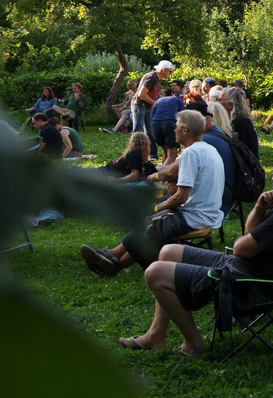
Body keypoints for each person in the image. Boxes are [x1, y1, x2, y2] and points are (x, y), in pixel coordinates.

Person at [116, 151, 273, 355]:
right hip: (249, 270)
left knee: (154, 272)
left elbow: (241, 248)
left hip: (250, 284)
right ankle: (156, 335)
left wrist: (243, 243)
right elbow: (249, 235)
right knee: (168, 251)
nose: (272, 178)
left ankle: (194, 344)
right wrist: (259, 207)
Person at [79, 110, 224, 277]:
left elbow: (181, 197)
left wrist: (156, 208)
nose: (174, 129)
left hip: (194, 216)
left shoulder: (191, 153)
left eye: (176, 126)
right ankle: (112, 261)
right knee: (144, 221)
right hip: (207, 212)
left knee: (134, 237)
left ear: (185, 130)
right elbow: (176, 178)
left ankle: (166, 270)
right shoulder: (208, 149)